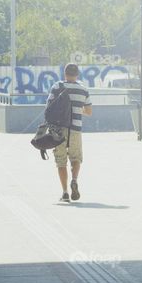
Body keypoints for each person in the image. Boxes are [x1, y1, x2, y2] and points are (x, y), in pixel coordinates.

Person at [46, 63, 92, 202]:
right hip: (76, 129)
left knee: (61, 161)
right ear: (77, 74)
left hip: (59, 129)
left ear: (64, 73)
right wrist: (78, 110)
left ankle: (65, 193)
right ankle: (74, 180)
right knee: (76, 158)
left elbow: (48, 107)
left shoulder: (57, 87)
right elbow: (89, 112)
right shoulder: (83, 89)